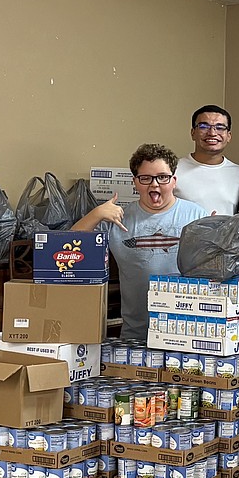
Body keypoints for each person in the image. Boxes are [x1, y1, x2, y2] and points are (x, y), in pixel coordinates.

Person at [72, 143, 208, 341]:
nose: (154, 184)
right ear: (135, 182)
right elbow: (66, 247)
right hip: (135, 335)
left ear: (173, 181)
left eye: (162, 177)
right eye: (145, 178)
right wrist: (97, 214)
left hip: (186, 333)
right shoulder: (117, 218)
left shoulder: (197, 215)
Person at [174, 104, 239, 216]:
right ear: (193, 133)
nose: (212, 133)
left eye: (220, 127)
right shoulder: (173, 170)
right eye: (204, 126)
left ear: (229, 136)